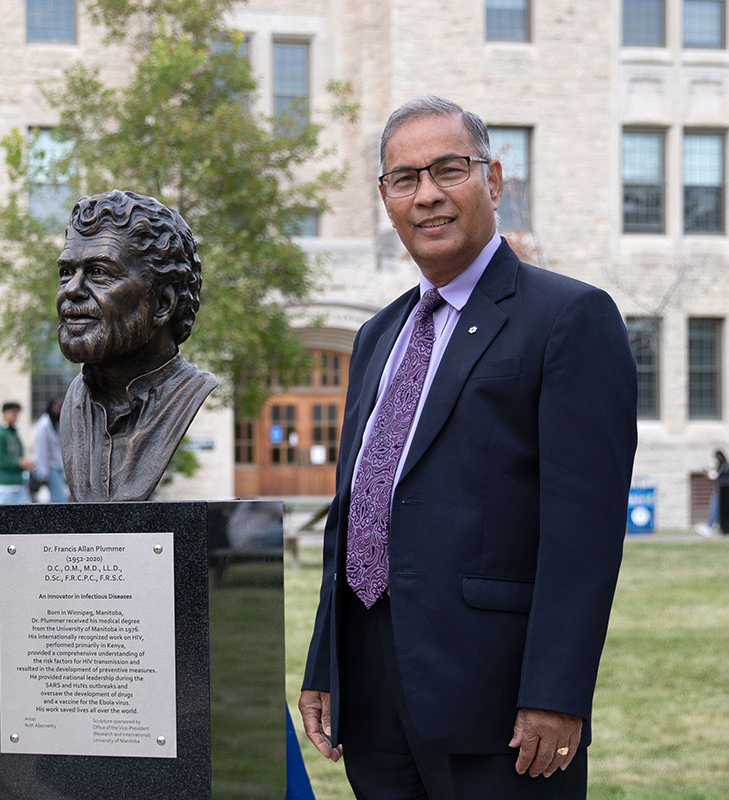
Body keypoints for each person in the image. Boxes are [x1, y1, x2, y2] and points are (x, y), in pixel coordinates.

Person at [299, 96, 637, 798]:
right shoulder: (377, 336)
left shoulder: (569, 318)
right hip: (372, 695)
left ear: (494, 179)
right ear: (385, 197)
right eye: (404, 178)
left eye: (448, 169)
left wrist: (557, 690)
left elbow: (584, 530)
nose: (427, 195)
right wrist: (324, 666)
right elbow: (357, 505)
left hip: (500, 705)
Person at [56, 189, 217, 501]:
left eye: (98, 273)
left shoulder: (191, 394)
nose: (71, 290)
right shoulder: (73, 405)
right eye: (66, 273)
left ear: (162, 303)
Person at [0, 401, 33, 503]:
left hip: (19, 484)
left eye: (16, 413)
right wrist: (19, 463)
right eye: (12, 412)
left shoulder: (13, 433)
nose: (15, 415)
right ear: (4, 413)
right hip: (6, 485)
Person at [32, 397, 68, 502]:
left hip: (58, 468)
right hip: (50, 468)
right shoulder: (44, 424)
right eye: (58, 407)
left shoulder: (56, 424)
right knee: (59, 500)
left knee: (59, 498)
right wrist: (42, 473)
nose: (60, 410)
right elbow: (41, 450)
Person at [697, 450, 726, 537]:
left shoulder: (725, 466)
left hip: (722, 492)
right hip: (718, 491)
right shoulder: (719, 466)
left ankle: (710, 526)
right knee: (715, 509)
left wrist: (711, 474)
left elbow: (717, 476)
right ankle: (710, 526)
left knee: (715, 508)